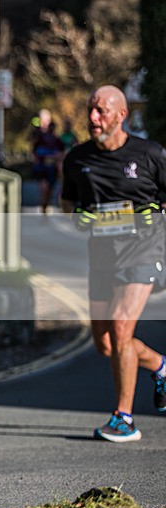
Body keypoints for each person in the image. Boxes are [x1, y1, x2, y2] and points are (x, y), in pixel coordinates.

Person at [61, 85, 166, 443]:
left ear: (121, 116)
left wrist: (157, 215)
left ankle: (124, 418)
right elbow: (67, 207)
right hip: (103, 259)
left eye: (101, 111)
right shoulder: (76, 159)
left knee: (121, 330)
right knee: (106, 344)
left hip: (144, 254)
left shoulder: (151, 154)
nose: (93, 117)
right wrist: (81, 218)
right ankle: (160, 365)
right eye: (90, 109)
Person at [32, 118, 66, 214]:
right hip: (43, 168)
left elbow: (63, 152)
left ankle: (46, 204)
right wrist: (37, 161)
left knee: (50, 189)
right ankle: (43, 205)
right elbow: (34, 150)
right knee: (44, 187)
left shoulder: (57, 140)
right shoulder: (41, 138)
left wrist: (56, 157)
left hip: (52, 168)